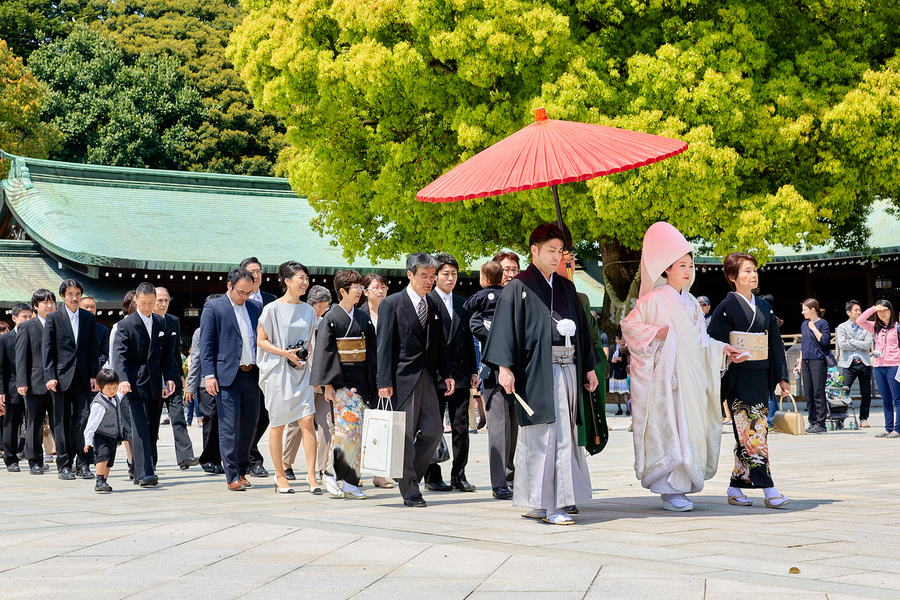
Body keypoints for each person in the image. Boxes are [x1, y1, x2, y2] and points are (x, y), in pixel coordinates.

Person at [482, 224, 601, 525]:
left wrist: (588, 366)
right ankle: (550, 505)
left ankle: (545, 501)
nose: (556, 256)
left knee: (564, 434)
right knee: (543, 435)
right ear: (534, 250)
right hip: (538, 372)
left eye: (560, 251)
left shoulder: (566, 287)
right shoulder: (518, 286)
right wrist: (504, 368)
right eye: (551, 250)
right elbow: (505, 329)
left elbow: (584, 332)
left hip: (569, 368)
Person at [622, 222, 743, 512]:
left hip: (691, 380)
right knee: (669, 429)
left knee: (688, 429)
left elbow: (700, 342)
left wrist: (721, 349)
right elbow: (630, 327)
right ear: (666, 269)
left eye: (691, 265)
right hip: (667, 381)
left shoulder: (690, 302)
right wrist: (656, 334)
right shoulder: (652, 299)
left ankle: (683, 484)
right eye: (681, 266)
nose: (688, 272)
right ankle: (669, 488)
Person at [708, 253, 791, 508]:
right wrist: (728, 351)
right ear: (732, 277)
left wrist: (782, 377)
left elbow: (775, 343)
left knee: (751, 433)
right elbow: (713, 341)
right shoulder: (725, 308)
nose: (753, 275)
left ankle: (736, 486)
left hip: (761, 374)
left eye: (754, 270)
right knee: (754, 433)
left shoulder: (764, 307)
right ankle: (768, 489)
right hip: (739, 376)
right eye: (746, 271)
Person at [376, 252, 454, 508]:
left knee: (433, 431)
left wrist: (447, 373)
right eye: (424, 276)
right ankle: (410, 490)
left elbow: (441, 345)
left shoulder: (433, 304)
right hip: (401, 379)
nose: (429, 281)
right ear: (410, 274)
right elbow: (384, 345)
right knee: (405, 434)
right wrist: (383, 381)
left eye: (432, 277)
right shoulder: (392, 303)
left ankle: (408, 475)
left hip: (429, 377)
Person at [311, 269, 378, 499]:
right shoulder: (331, 317)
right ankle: (330, 472)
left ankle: (350, 481)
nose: (360, 291)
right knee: (346, 433)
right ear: (342, 291)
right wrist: (327, 384)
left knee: (358, 435)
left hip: (362, 383)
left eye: (361, 287)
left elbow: (371, 351)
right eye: (356, 287)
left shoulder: (363, 317)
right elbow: (325, 352)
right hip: (341, 383)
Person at [257, 261, 320, 494]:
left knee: (307, 421)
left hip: (301, 371)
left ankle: (312, 476)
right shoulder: (271, 309)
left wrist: (304, 356)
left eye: (306, 277)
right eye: (300, 278)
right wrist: (285, 353)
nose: (305, 282)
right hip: (278, 371)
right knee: (279, 424)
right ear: (286, 281)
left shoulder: (309, 310)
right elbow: (261, 340)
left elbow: (310, 342)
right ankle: (280, 475)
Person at [199, 268, 262, 491]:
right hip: (226, 376)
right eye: (241, 292)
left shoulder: (255, 307)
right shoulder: (214, 307)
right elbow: (206, 345)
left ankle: (242, 471)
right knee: (229, 427)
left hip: (252, 374)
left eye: (248, 292)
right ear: (229, 286)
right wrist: (209, 375)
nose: (244, 297)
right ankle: (232, 475)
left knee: (249, 426)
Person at [422, 253, 479, 493]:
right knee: (432, 426)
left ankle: (459, 474)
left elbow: (468, 340)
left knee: (461, 426)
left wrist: (474, 370)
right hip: (434, 376)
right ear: (435, 277)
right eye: (445, 273)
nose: (450, 278)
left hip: (461, 374)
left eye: (454, 273)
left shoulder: (462, 303)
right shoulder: (426, 301)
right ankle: (432, 475)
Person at [112, 282, 177, 487]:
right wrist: (122, 380)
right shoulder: (125, 324)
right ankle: (145, 472)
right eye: (143, 303)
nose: (148, 307)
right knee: (139, 428)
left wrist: (169, 377)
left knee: (152, 430)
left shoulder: (161, 322)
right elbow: (118, 356)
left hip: (155, 381)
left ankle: (144, 469)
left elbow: (166, 354)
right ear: (136, 301)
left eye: (151, 303)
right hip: (134, 382)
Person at [466, 261, 515, 499]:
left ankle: (513, 476)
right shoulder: (482, 303)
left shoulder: (517, 297)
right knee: (498, 427)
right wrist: (500, 333)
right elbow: (475, 324)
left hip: (518, 370)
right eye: (505, 270)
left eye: (514, 269)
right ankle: (500, 482)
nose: (509, 274)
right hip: (493, 371)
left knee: (514, 427)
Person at [42, 278, 100, 480]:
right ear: (63, 297)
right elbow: (47, 349)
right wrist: (50, 376)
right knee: (61, 422)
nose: (74, 298)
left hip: (84, 377)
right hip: (60, 378)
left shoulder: (88, 318)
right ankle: (64, 465)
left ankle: (83, 463)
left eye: (77, 294)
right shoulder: (54, 318)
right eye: (70, 294)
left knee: (84, 420)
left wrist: (94, 375)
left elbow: (93, 348)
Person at [282, 284, 332, 484]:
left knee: (326, 424)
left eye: (325, 307)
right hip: (304, 378)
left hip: (325, 381)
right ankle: (286, 463)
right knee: (298, 423)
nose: (321, 310)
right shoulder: (300, 320)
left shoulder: (328, 322)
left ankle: (322, 467)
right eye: (318, 306)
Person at [153, 287, 198, 469]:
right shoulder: (148, 322)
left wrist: (181, 376)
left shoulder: (174, 321)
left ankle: (186, 456)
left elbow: (175, 352)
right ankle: (149, 461)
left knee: (178, 416)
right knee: (152, 421)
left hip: (173, 376)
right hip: (154, 378)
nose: (163, 304)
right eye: (159, 300)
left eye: (166, 300)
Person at [356, 273, 393, 489]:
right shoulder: (359, 315)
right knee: (361, 426)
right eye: (376, 287)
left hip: (386, 377)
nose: (381, 291)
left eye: (384, 287)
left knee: (382, 426)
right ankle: (356, 471)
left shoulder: (392, 311)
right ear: (365, 291)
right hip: (364, 377)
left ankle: (379, 474)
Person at [242, 257, 275, 478]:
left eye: (259, 271)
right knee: (249, 415)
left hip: (269, 365)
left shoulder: (272, 300)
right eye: (252, 271)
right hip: (246, 365)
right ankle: (253, 459)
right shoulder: (238, 300)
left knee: (265, 414)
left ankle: (245, 450)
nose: (256, 275)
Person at [16, 289, 57, 475]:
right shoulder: (27, 326)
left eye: (51, 302)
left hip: (58, 383)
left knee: (60, 423)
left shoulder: (59, 323)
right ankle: (35, 461)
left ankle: (64, 458)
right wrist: (22, 382)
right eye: (44, 302)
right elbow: (21, 356)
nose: (49, 306)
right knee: (34, 424)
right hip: (34, 383)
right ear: (35, 306)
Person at [185, 294, 224, 475]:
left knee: (225, 423)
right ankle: (208, 459)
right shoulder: (199, 332)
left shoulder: (228, 327)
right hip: (204, 384)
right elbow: (196, 361)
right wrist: (190, 387)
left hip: (227, 381)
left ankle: (221, 460)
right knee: (210, 420)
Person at [855, 300, 900, 438]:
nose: (882, 313)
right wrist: (873, 308)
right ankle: (888, 428)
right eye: (880, 311)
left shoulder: (897, 327)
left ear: (891, 311)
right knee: (885, 399)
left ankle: (897, 429)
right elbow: (859, 320)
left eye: (885, 310)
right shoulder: (875, 327)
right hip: (878, 366)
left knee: (897, 399)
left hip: (894, 365)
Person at [83, 368, 131, 492]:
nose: (112, 391)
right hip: (101, 435)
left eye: (114, 387)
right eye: (108, 388)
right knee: (102, 457)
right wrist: (88, 440)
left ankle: (104, 480)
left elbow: (120, 394)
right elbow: (91, 424)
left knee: (109, 461)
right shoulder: (98, 404)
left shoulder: (115, 397)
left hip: (113, 436)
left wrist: (124, 389)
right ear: (99, 388)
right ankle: (99, 481)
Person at [1, 303, 34, 472]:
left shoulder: (36, 335)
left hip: (34, 388)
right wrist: (1, 391)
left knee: (33, 424)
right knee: (11, 425)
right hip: (12, 388)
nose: (28, 320)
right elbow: (0, 367)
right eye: (24, 317)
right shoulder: (4, 339)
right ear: (14, 319)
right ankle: (10, 458)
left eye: (30, 316)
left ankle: (33, 458)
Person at [795, 298, 831, 434]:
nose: (802, 312)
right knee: (808, 393)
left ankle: (821, 424)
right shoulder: (804, 324)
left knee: (818, 392)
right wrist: (799, 363)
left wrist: (814, 328)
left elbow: (825, 341)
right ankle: (812, 421)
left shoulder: (822, 323)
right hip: (806, 362)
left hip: (818, 361)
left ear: (813, 310)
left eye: (804, 309)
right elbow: (803, 346)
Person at [837, 299, 874, 428]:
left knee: (866, 392)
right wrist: (858, 344)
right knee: (844, 391)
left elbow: (868, 344)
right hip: (848, 364)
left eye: (860, 310)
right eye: (856, 310)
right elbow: (842, 344)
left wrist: (851, 341)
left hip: (863, 363)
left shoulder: (867, 326)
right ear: (848, 312)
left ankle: (864, 418)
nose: (859, 312)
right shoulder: (842, 327)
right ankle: (840, 418)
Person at [80, 296, 110, 367]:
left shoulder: (103, 330)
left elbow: (104, 354)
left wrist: (94, 367)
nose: (90, 309)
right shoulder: (74, 327)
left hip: (95, 370)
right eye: (86, 307)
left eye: (93, 307)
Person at [609, 330, 629, 415]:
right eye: (616, 339)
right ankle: (619, 409)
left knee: (625, 391)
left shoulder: (624, 347)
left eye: (619, 339)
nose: (617, 341)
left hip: (621, 372)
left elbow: (627, 360)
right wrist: (612, 361)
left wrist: (621, 360)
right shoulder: (611, 347)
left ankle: (628, 409)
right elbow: (608, 359)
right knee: (615, 391)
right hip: (613, 371)